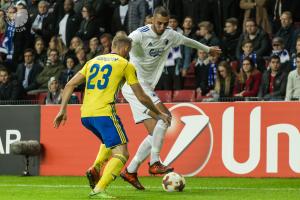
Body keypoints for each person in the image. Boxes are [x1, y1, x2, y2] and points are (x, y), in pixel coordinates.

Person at [53, 35, 171, 198]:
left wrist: (62, 110)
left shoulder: (92, 61)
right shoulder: (125, 65)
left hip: (86, 115)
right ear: (124, 49)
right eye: (128, 51)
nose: (128, 54)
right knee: (122, 153)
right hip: (104, 113)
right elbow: (141, 96)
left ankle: (96, 167)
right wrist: (159, 113)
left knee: (109, 143)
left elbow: (70, 84)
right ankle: (99, 189)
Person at [119, 6, 220, 190]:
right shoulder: (139, 34)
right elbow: (122, 46)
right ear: (152, 20)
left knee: (154, 132)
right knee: (165, 118)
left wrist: (207, 48)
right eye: (159, 23)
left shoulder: (170, 34)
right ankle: (155, 162)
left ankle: (131, 171)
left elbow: (187, 41)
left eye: (165, 24)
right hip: (136, 85)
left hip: (144, 86)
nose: (162, 27)